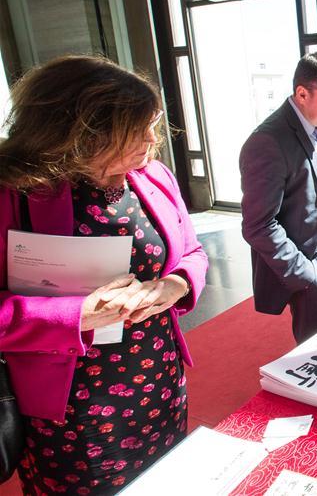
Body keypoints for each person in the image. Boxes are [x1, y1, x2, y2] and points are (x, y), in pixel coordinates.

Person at [0, 56, 208, 493]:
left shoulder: (152, 176)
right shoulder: (14, 194)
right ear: (79, 131)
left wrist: (176, 284)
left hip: (157, 381)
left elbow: (191, 250)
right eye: (136, 129)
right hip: (71, 404)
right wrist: (74, 315)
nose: (153, 140)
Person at [240, 51, 317, 344]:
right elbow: (258, 225)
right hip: (316, 264)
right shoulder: (268, 141)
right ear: (302, 93)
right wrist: (306, 275)